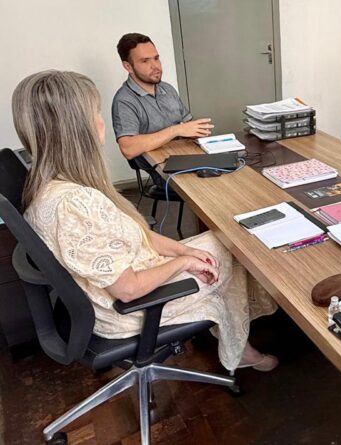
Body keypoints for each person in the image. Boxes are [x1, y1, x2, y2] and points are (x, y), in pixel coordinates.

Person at [14, 70, 278, 373]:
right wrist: (183, 262)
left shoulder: (51, 184)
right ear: (76, 130)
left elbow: (136, 234)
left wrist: (183, 251)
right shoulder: (75, 204)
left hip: (128, 279)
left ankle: (233, 334)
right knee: (237, 249)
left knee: (225, 240)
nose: (101, 122)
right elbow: (127, 290)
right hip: (129, 310)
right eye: (95, 113)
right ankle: (238, 348)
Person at [111, 33, 214, 186]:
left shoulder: (167, 89)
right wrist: (176, 130)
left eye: (156, 58)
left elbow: (188, 124)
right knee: (215, 187)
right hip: (163, 170)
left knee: (234, 171)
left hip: (187, 157)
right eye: (145, 61)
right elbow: (128, 148)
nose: (155, 66)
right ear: (128, 67)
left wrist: (198, 129)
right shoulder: (124, 100)